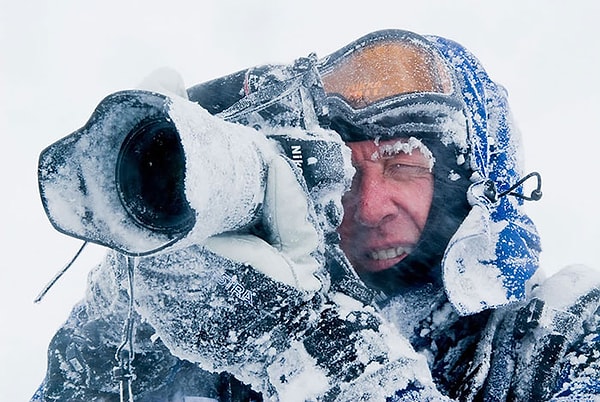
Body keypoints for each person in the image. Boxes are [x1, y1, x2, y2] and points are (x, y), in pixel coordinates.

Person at [33, 29, 600, 401]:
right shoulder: (230, 329)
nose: (369, 206)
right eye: (347, 173)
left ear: (476, 186)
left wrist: (303, 345)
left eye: (403, 164)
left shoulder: (562, 337)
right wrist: (125, 312)